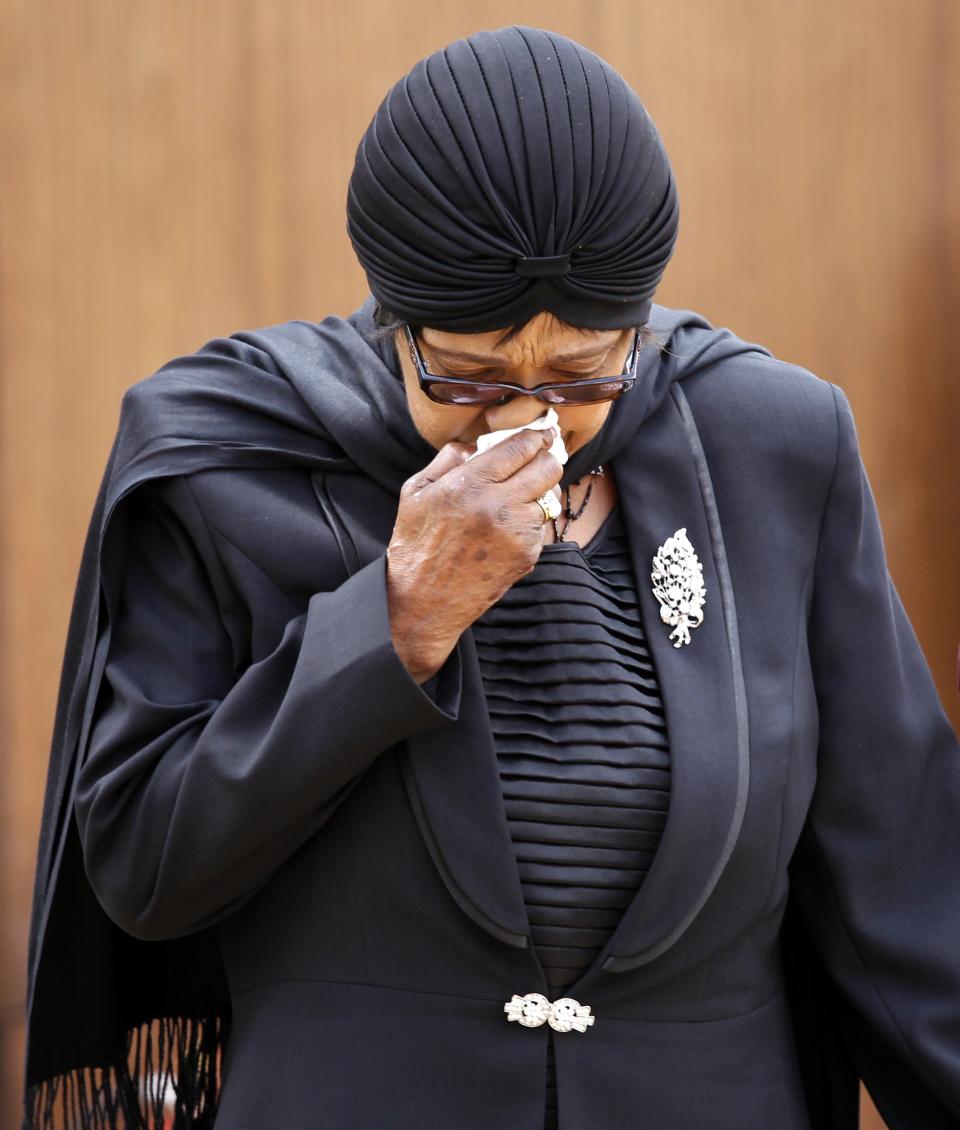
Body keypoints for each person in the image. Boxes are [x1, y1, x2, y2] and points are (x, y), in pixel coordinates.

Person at [22, 25, 960, 1130]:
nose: (528, 419)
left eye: (580, 377)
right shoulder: (229, 461)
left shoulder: (774, 447)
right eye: (466, 379)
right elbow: (143, 866)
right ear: (394, 319)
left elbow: (905, 892)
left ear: (641, 329)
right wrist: (392, 623)